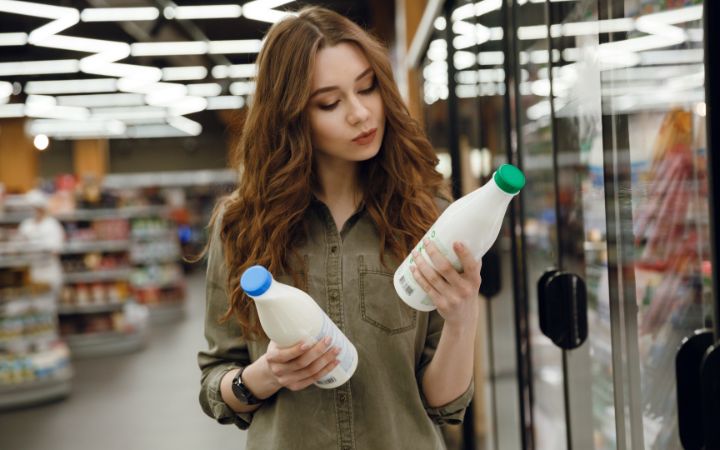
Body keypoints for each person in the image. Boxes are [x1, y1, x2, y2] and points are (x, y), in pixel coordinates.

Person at [198, 6, 483, 450]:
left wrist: (463, 320)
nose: (359, 113)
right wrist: (263, 377)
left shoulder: (426, 216)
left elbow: (444, 405)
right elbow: (216, 379)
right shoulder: (241, 226)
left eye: (367, 89)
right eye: (329, 102)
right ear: (290, 117)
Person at [18, 189, 65, 293]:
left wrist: (38, 248)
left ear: (41, 208)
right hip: (33, 271)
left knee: (48, 304)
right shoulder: (26, 225)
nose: (32, 211)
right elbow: (20, 245)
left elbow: (56, 250)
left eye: (34, 208)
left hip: (50, 272)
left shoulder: (52, 224)